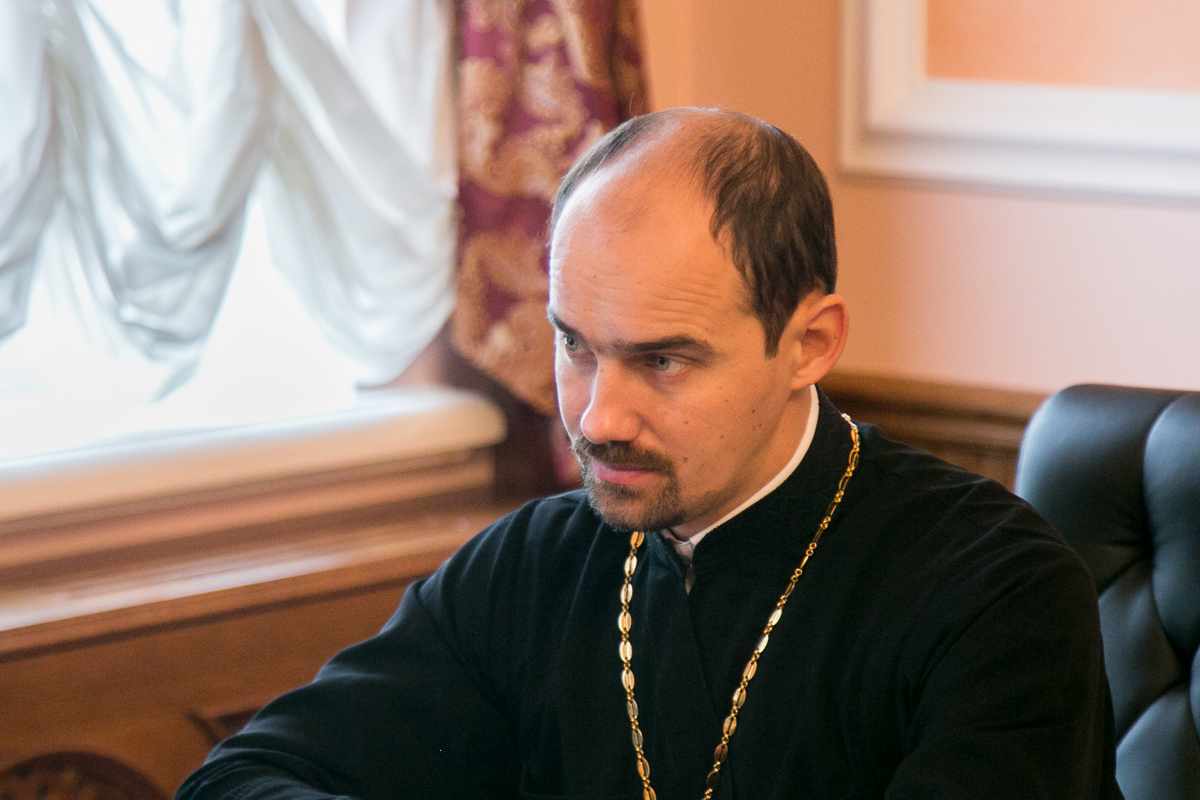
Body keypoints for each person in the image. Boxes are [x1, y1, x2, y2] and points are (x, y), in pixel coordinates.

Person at [175, 108, 1121, 800]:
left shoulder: (995, 591)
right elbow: (241, 779)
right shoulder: (533, 565)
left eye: (662, 361)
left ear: (809, 344)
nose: (598, 418)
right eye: (575, 345)